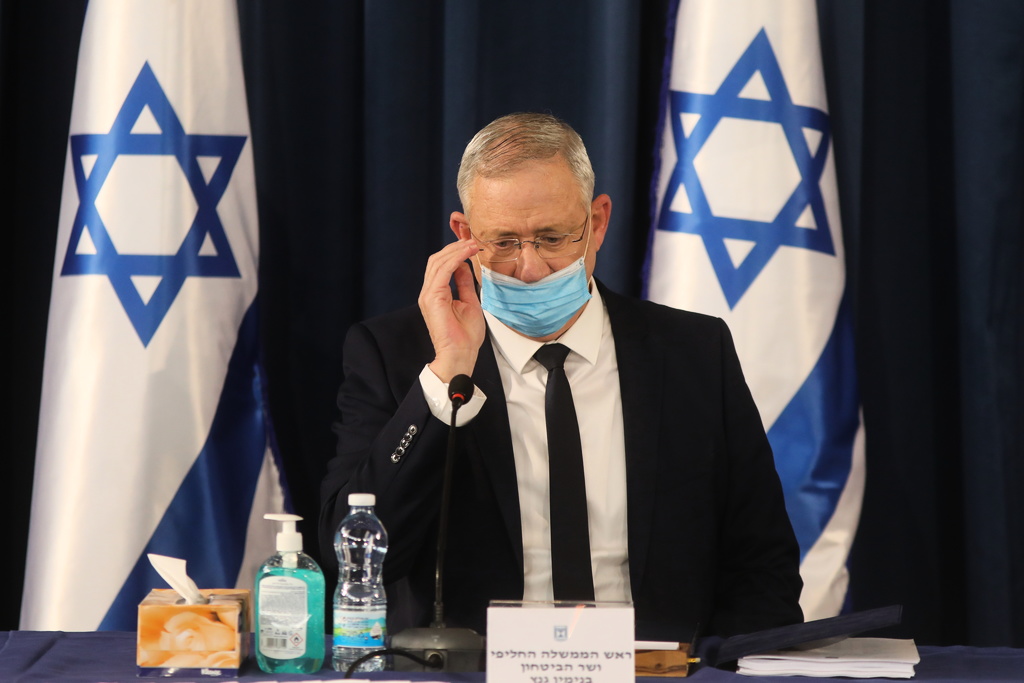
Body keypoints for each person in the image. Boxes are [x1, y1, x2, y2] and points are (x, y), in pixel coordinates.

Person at [320, 112, 803, 641]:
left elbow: (762, 562)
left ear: (597, 222)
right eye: (504, 242)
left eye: (552, 238)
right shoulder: (394, 356)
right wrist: (446, 377)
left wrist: (716, 671)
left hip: (658, 671)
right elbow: (354, 561)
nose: (530, 269)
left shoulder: (693, 352)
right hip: (476, 673)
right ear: (464, 235)